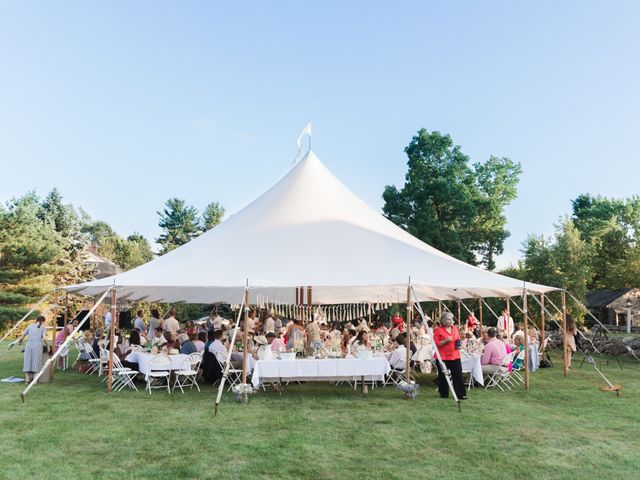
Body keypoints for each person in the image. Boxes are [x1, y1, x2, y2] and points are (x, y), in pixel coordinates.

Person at [433, 312, 467, 400]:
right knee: (443, 375)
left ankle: (461, 394)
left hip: (455, 355)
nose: (451, 321)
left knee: (458, 374)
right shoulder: (438, 330)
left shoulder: (455, 328)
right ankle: (444, 394)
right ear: (443, 321)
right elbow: (436, 344)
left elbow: (457, 340)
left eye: (451, 319)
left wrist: (459, 345)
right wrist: (445, 341)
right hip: (442, 357)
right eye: (448, 319)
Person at [18, 315, 48, 383]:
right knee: (36, 362)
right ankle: (35, 380)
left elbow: (22, 336)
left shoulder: (30, 326)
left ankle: (27, 380)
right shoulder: (43, 328)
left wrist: (20, 342)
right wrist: (47, 345)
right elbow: (44, 338)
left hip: (28, 346)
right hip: (37, 346)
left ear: (36, 320)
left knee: (27, 362)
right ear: (43, 321)